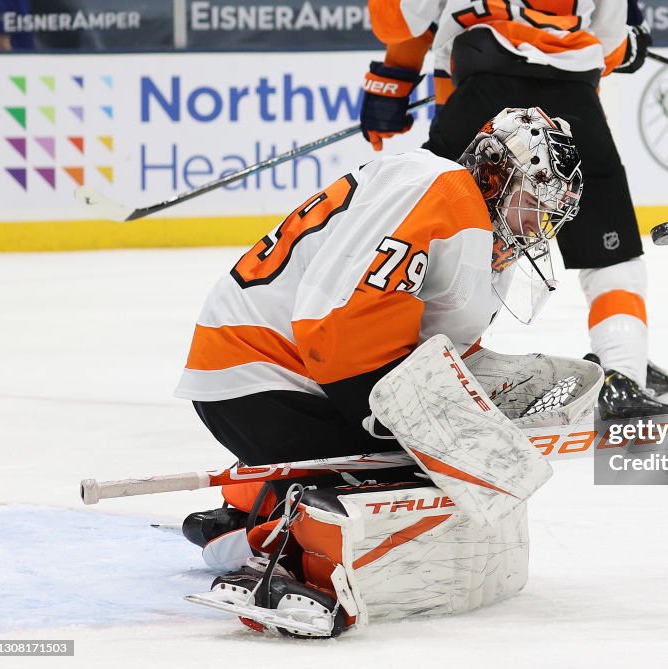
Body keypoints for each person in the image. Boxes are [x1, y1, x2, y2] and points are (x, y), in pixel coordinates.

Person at [176, 107, 586, 637]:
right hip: (264, 373)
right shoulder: (446, 193)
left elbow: (432, 348)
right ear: (493, 173)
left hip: (268, 373)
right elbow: (337, 322)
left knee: (434, 467)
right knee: (403, 483)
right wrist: (404, 424)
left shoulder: (468, 223)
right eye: (532, 204)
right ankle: (274, 554)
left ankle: (247, 512)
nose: (538, 226)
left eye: (549, 215)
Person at [359, 0, 668, 419]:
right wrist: (631, 46)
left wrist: (392, 81)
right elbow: (610, 45)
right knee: (612, 255)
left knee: (443, 247)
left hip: (477, 98)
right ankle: (623, 373)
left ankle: (405, 374)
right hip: (570, 102)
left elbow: (397, 19)